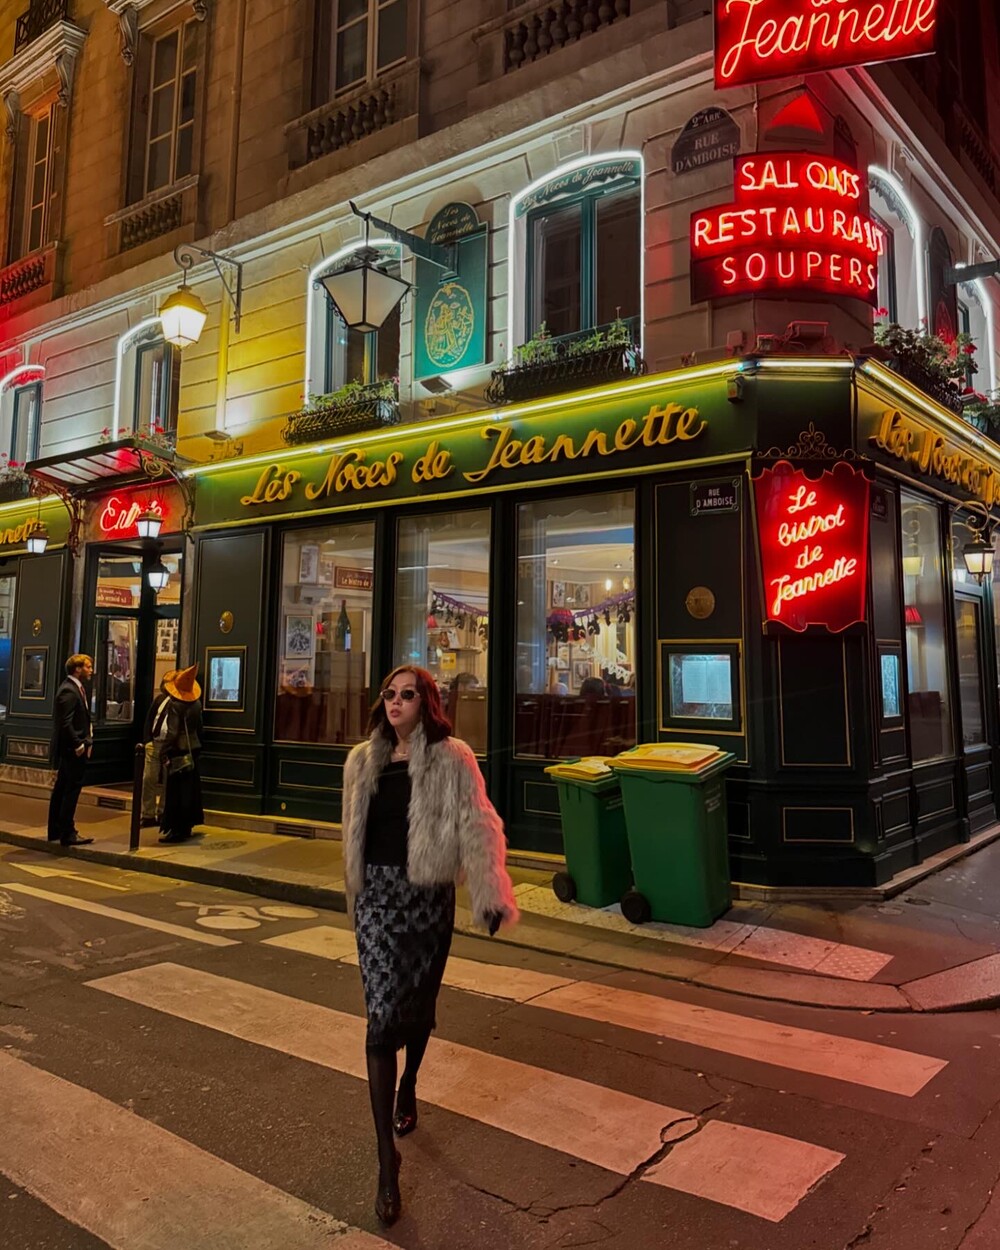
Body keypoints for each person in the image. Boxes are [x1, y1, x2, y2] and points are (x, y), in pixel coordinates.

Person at [341, 665, 518, 1228]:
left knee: (416, 1012)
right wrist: (354, 894)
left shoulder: (453, 757)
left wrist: (491, 895)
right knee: (379, 1022)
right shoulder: (360, 761)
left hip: (426, 901)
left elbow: (479, 823)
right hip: (376, 901)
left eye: (407, 694)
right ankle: (385, 1164)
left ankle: (410, 1082)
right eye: (389, 694)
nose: (395, 702)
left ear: (427, 703)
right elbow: (352, 835)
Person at [47, 654, 95, 847]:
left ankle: (56, 830)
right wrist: (78, 744)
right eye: (88, 667)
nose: (91, 670)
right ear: (77, 669)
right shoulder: (69, 690)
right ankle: (67, 832)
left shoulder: (75, 688)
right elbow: (65, 723)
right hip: (72, 750)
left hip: (72, 748)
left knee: (62, 788)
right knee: (70, 790)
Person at [157, 664, 204, 844]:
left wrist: (164, 751)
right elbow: (200, 728)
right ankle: (187, 826)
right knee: (189, 791)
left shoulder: (175, 705)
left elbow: (173, 732)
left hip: (178, 751)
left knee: (175, 792)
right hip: (193, 749)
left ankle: (176, 829)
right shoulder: (197, 704)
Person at [139, 671, 175, 828]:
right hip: (154, 744)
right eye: (165, 682)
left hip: (169, 747)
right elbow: (150, 719)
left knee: (168, 782)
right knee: (149, 779)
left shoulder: (180, 702)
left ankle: (163, 813)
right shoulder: (159, 699)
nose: (166, 686)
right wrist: (147, 740)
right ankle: (148, 814)